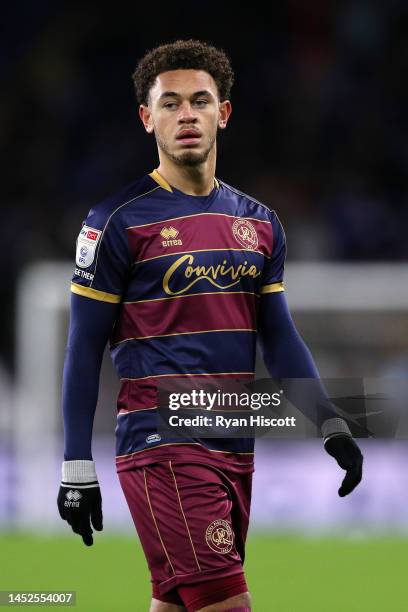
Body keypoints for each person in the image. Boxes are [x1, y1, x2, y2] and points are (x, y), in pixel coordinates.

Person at [57, 39, 363, 612]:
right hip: (161, 441)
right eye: (170, 104)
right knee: (227, 604)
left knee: (178, 603)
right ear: (147, 119)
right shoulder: (115, 222)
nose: (187, 115)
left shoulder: (260, 223)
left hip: (233, 437)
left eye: (200, 101)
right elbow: (83, 346)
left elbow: (280, 337)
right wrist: (76, 464)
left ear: (224, 112)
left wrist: (332, 422)